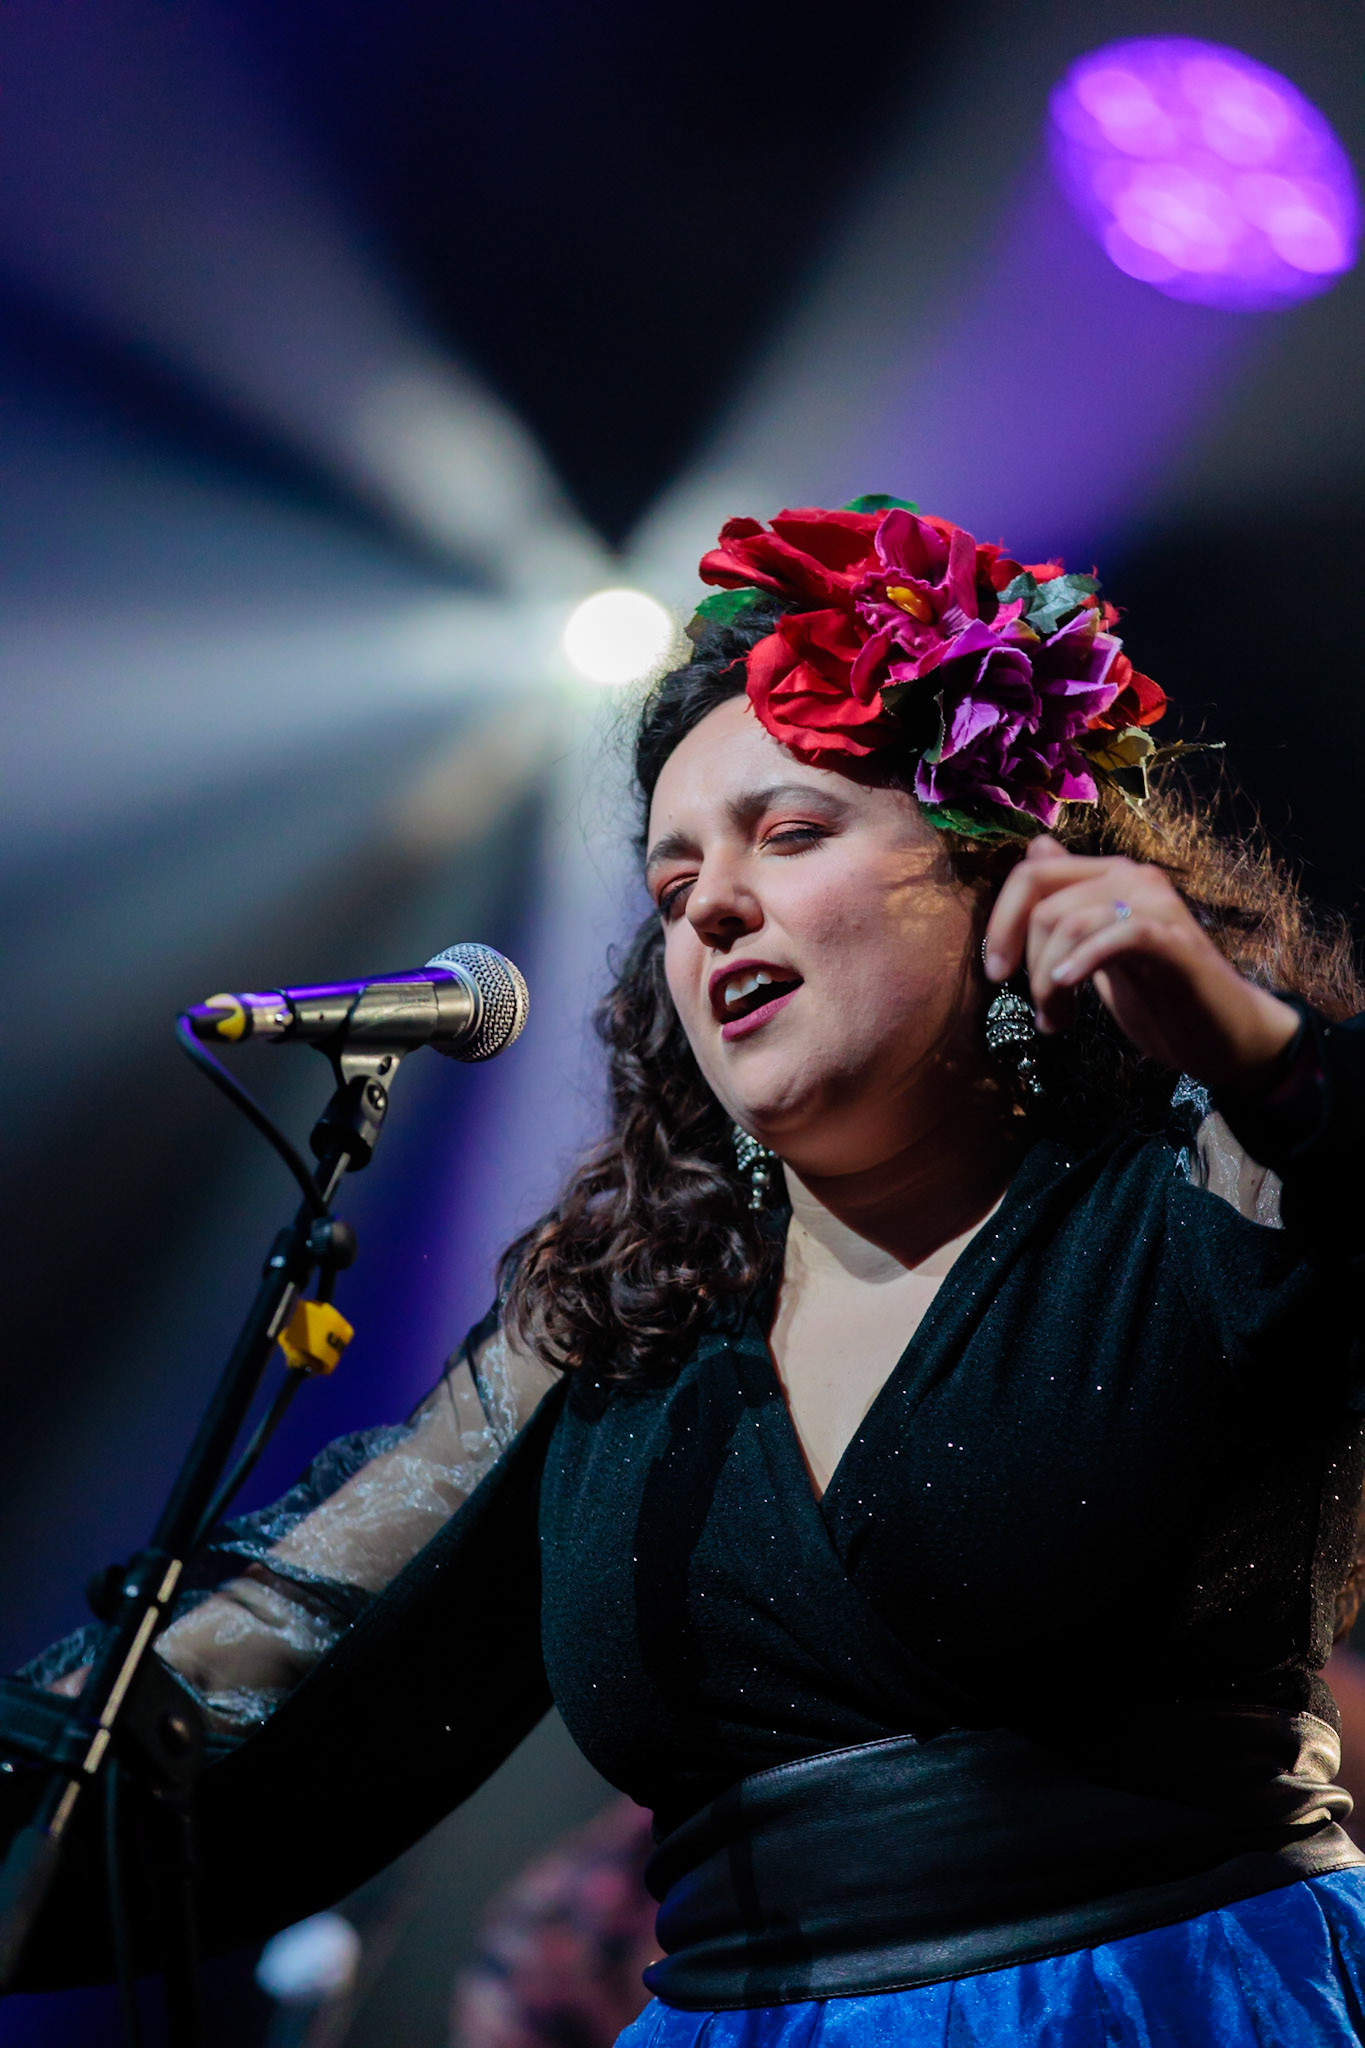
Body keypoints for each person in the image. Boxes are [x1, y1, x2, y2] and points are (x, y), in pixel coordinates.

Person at [10, 494, 1365, 2043]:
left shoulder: (1201, 1189)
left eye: (789, 834)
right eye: (669, 889)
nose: (711, 902)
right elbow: (261, 1655)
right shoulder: (623, 1323)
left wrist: (1260, 1059)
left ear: (1003, 871)